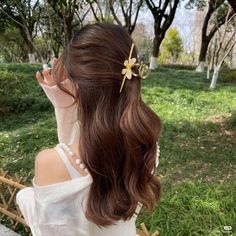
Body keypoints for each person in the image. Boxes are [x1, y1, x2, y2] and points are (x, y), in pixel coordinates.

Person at [16, 23, 162, 236]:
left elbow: (50, 225)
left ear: (76, 85)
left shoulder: (49, 162)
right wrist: (64, 106)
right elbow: (82, 165)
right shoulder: (146, 145)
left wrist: (24, 197)